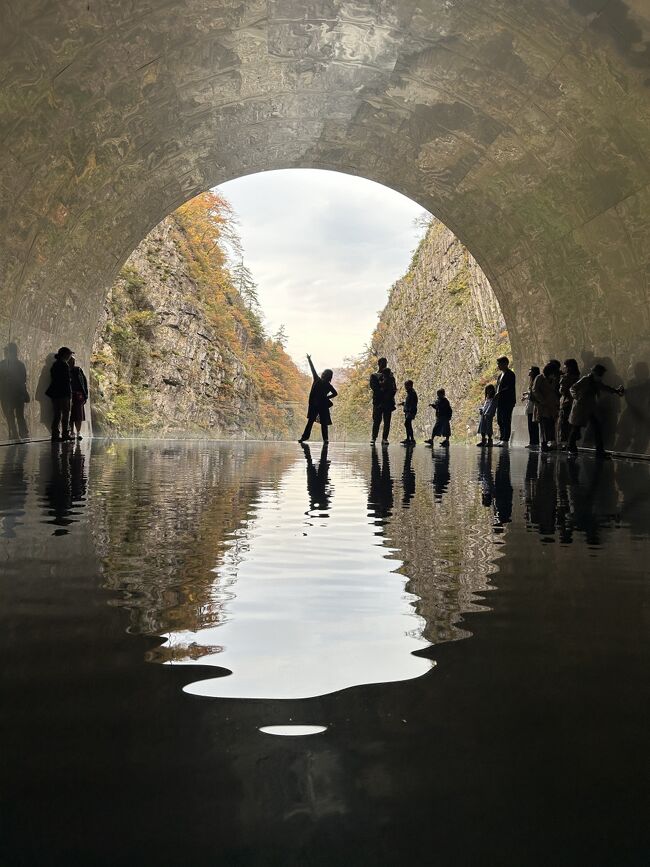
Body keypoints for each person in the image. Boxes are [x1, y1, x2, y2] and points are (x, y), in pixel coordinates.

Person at [567, 364, 624, 458]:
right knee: (576, 428)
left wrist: (616, 391)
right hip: (581, 408)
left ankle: (599, 450)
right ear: (594, 373)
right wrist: (577, 397)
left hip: (589, 408)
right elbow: (573, 388)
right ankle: (571, 447)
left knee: (596, 428)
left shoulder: (595, 381)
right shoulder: (586, 379)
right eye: (600, 374)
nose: (601, 376)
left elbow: (605, 387)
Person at [299, 354, 337, 444]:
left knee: (310, 422)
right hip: (323, 406)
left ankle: (304, 437)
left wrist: (309, 359)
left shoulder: (317, 380)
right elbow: (335, 393)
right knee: (324, 424)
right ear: (330, 377)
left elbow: (313, 369)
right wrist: (327, 397)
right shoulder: (328, 385)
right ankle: (325, 439)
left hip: (315, 405)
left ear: (324, 375)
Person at [0, 342, 29, 441]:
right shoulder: (20, 364)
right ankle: (23, 434)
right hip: (18, 394)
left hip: (6, 394)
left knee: (9, 415)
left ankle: (14, 434)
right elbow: (24, 379)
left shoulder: (2, 364)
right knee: (19, 415)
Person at [45, 346, 73, 442]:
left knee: (57, 414)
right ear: (65, 354)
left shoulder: (55, 364)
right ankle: (65, 433)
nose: (70, 356)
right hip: (63, 393)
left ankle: (55, 435)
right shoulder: (64, 365)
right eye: (69, 354)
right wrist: (69, 394)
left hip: (55, 393)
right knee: (65, 414)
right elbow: (66, 381)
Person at [532, 363, 560, 451]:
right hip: (542, 405)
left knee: (551, 424)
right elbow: (535, 390)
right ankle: (543, 444)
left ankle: (551, 442)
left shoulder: (554, 378)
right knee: (543, 425)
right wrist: (542, 400)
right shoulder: (540, 377)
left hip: (552, 405)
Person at [369, 357, 396, 445]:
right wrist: (384, 392)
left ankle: (384, 438)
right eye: (382, 363)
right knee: (377, 420)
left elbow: (394, 388)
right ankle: (374, 437)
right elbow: (374, 388)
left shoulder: (391, 376)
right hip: (378, 402)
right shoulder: (374, 375)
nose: (384, 364)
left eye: (385, 363)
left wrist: (389, 395)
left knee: (387, 421)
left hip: (387, 402)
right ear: (379, 364)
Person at [494, 356, 516, 446]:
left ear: (505, 363)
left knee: (506, 419)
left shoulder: (510, 374)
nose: (498, 365)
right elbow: (498, 387)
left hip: (507, 400)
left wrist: (500, 393)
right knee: (500, 420)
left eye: (499, 363)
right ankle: (502, 437)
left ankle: (506, 440)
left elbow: (509, 387)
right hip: (500, 401)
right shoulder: (500, 375)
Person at [558, 358, 580, 446]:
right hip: (575, 403)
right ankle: (572, 442)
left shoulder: (565, 377)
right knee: (572, 423)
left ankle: (565, 443)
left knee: (564, 423)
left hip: (566, 403)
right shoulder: (578, 377)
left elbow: (562, 390)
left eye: (565, 367)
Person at [68, 354, 89, 440]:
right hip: (69, 395)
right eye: (70, 361)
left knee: (79, 415)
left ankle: (78, 432)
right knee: (70, 415)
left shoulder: (78, 370)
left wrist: (85, 395)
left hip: (78, 396)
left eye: (73, 361)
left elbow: (84, 383)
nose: (72, 363)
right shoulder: (65, 370)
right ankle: (71, 431)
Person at [522, 365, 540, 449]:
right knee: (531, 425)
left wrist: (527, 394)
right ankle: (532, 441)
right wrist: (526, 396)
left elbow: (534, 393)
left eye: (530, 371)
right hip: (530, 405)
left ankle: (534, 442)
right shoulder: (532, 381)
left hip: (533, 405)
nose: (529, 373)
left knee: (533, 425)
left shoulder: (536, 381)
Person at [399, 379, 418, 445]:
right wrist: (403, 403)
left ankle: (411, 439)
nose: (406, 387)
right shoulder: (410, 392)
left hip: (411, 411)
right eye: (405, 385)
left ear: (411, 385)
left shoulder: (412, 393)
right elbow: (409, 402)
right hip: (408, 411)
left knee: (407, 424)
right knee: (408, 424)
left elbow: (413, 403)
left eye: (407, 385)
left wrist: (410, 410)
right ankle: (409, 439)